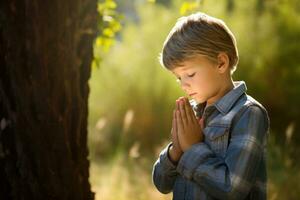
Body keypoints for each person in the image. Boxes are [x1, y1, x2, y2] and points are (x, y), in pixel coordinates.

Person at [152, 12, 270, 200]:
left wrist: (192, 148)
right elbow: (162, 184)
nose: (183, 85)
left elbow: (233, 189)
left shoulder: (248, 113)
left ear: (221, 63)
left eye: (190, 74)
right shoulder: (193, 112)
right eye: (178, 78)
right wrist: (176, 151)